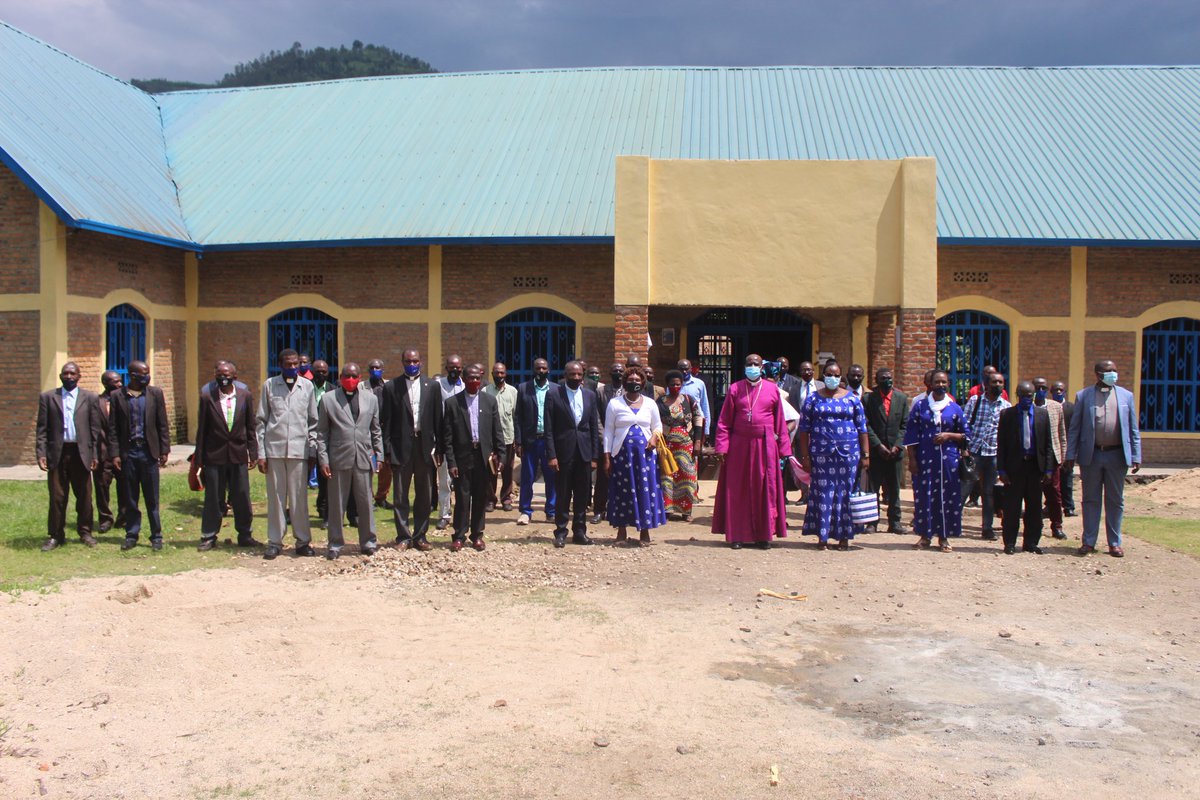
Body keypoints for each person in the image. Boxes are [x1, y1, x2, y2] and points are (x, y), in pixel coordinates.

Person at [712, 354, 790, 550]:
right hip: (739, 444)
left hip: (765, 445)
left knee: (765, 488)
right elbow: (724, 421)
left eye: (756, 364)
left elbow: (780, 422)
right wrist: (722, 446)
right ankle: (737, 535)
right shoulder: (735, 388)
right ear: (744, 366)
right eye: (749, 364)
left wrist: (784, 449)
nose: (752, 367)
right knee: (738, 489)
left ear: (761, 367)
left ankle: (764, 536)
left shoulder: (772, 389)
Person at [1065, 360, 1141, 558]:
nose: (1113, 374)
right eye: (1109, 371)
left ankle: (1114, 543)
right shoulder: (1084, 396)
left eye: (1115, 370)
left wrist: (1136, 454)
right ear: (1098, 374)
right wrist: (1070, 455)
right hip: (1092, 455)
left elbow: (1133, 428)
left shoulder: (1126, 396)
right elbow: (1075, 428)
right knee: (1090, 499)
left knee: (1115, 500)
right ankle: (1088, 541)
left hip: (1117, 455)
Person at [796, 360, 869, 550]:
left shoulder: (852, 399)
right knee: (823, 493)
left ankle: (844, 536)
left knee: (844, 493)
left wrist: (865, 454)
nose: (833, 378)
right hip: (820, 455)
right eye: (829, 374)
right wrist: (805, 457)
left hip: (848, 455)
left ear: (841, 376)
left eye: (837, 375)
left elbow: (862, 428)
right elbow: (804, 430)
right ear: (823, 376)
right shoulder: (813, 399)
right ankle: (823, 536)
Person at [256, 348, 318, 560]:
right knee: (276, 498)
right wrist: (261, 453)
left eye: (295, 364)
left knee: (299, 498)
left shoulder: (307, 386)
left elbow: (313, 422)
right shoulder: (270, 385)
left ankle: (302, 541)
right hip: (275, 449)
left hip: (299, 451)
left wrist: (312, 451)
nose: (292, 367)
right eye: (288, 364)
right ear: (280, 364)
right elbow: (261, 421)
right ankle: (275, 541)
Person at [316, 362, 382, 559]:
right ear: (340, 378)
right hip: (338, 458)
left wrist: (379, 455)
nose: (350, 380)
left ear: (359, 378)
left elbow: (376, 429)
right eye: (346, 376)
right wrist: (323, 459)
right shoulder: (328, 400)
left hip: (363, 456)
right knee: (336, 504)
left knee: (365, 503)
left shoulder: (371, 399)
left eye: (354, 376)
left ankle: (368, 542)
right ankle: (335, 544)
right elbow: (322, 433)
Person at [380, 349, 442, 551]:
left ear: (421, 362)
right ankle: (403, 536)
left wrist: (438, 448)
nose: (412, 364)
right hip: (400, 448)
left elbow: (437, 419)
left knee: (424, 494)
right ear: (402, 362)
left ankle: (420, 536)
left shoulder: (432, 386)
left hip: (424, 447)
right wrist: (387, 450)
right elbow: (386, 421)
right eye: (408, 361)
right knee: (400, 495)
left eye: (415, 360)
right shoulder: (391, 387)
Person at [36, 362, 102, 551]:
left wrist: (95, 454)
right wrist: (41, 453)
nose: (69, 376)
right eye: (65, 373)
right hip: (57, 452)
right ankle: (56, 535)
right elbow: (42, 429)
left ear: (79, 376)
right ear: (60, 375)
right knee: (57, 496)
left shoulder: (89, 398)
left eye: (73, 373)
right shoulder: (48, 397)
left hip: (81, 453)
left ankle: (85, 532)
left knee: (84, 496)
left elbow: (95, 430)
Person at [194, 361, 260, 551]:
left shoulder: (245, 396)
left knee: (241, 495)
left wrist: (253, 452)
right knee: (214, 496)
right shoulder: (207, 397)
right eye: (219, 374)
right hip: (214, 455)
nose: (223, 378)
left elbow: (250, 426)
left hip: (238, 454)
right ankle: (208, 535)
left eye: (227, 374)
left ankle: (245, 534)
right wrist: (199, 458)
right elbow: (202, 429)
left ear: (235, 377)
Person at [108, 360, 171, 551]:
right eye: (143, 373)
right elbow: (113, 428)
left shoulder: (155, 394)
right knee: (131, 497)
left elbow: (162, 424)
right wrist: (115, 454)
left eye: (148, 373)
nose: (147, 376)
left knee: (152, 497)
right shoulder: (117, 396)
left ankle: (156, 535)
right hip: (129, 453)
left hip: (148, 452)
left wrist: (164, 449)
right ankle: (131, 533)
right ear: (132, 375)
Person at [903, 370, 969, 552]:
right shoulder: (921, 406)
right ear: (930, 384)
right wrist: (913, 460)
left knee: (948, 498)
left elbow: (966, 434)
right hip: (925, 461)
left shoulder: (954, 408)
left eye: (944, 382)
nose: (941, 385)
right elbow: (911, 435)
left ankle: (944, 537)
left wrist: (949, 435)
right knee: (925, 496)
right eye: (937, 382)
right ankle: (925, 536)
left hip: (949, 463)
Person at [442, 364, 504, 551]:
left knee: (480, 497)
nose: (474, 381)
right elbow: (448, 437)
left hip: (483, 457)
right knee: (462, 497)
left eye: (477, 378)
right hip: (462, 458)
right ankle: (459, 535)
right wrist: (451, 461)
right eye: (470, 378)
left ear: (481, 379)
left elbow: (497, 430)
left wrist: (500, 454)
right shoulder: (453, 403)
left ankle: (477, 535)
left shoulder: (489, 401)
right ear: (464, 379)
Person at [603, 365, 666, 546]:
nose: (634, 383)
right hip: (622, 456)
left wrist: (654, 437)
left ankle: (644, 532)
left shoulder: (650, 403)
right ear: (625, 382)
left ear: (643, 383)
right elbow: (608, 431)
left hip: (645, 456)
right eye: (630, 380)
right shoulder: (615, 404)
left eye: (637, 380)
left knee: (645, 490)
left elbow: (658, 426)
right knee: (623, 491)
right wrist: (607, 457)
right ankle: (621, 532)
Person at [544, 360, 603, 546]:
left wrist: (595, 456)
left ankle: (579, 532)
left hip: (584, 453)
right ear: (565, 375)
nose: (576, 378)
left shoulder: (590, 396)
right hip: (563, 453)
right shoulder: (553, 395)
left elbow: (593, 427)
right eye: (572, 374)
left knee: (582, 494)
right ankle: (560, 532)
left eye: (579, 374)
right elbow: (549, 429)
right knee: (563, 494)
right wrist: (552, 455)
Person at [996, 381, 1056, 555]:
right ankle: (1010, 543)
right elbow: (1001, 445)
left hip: (1035, 467)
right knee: (1012, 508)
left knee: (1034, 508)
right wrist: (1001, 470)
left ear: (1034, 396)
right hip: (1014, 468)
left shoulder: (1042, 415)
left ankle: (1031, 542)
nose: (1027, 399)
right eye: (1023, 395)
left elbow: (1048, 445)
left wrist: (1048, 470)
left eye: (1029, 395)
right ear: (1017, 396)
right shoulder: (1007, 415)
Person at [959, 371, 1010, 541]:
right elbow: (964, 425)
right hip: (974, 452)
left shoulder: (1006, 406)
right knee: (964, 488)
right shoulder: (975, 401)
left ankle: (987, 528)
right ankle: (954, 523)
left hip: (993, 454)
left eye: (1000, 382)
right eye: (994, 382)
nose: (997, 385)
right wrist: (964, 450)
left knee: (988, 493)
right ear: (986, 385)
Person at [863, 367, 910, 533]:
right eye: (883, 378)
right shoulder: (868, 399)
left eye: (889, 378)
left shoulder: (901, 398)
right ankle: (872, 522)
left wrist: (897, 445)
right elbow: (866, 425)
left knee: (894, 488)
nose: (887, 381)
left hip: (895, 453)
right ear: (876, 380)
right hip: (877, 452)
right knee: (873, 488)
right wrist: (878, 445)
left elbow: (905, 426)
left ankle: (895, 522)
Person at [513, 357, 557, 526]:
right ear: (533, 369)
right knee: (527, 477)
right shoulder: (524, 388)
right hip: (530, 441)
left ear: (548, 370)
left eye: (544, 368)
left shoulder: (555, 389)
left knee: (551, 477)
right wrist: (519, 441)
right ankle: (525, 511)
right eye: (538, 368)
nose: (540, 371)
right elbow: (518, 417)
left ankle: (551, 511)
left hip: (549, 441)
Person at [657, 370, 703, 522]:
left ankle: (686, 510)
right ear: (667, 386)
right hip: (666, 445)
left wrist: (698, 441)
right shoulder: (660, 401)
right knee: (667, 477)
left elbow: (698, 419)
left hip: (686, 445)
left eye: (678, 384)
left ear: (682, 385)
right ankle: (667, 509)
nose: (675, 387)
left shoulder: (689, 400)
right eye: (672, 385)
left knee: (687, 476)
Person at [1032, 376, 1069, 539]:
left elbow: (1061, 433)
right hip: (1033, 457)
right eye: (1037, 388)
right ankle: (1035, 525)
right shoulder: (1028, 406)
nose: (1040, 391)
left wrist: (1063, 456)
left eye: (1043, 388)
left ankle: (1057, 525)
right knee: (1033, 494)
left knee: (1054, 494)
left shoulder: (1055, 407)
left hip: (1052, 456)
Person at [434, 354, 465, 530]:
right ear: (446, 368)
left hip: (464, 440)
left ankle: (462, 514)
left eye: (458, 367)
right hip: (445, 440)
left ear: (462, 368)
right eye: (451, 367)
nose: (455, 370)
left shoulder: (467, 385)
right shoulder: (437, 386)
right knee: (444, 480)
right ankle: (444, 514)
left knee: (463, 481)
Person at [591, 363, 624, 524]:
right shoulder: (601, 391)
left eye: (620, 371)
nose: (618, 373)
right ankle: (599, 510)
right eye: (615, 371)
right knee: (603, 478)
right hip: (604, 442)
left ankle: (617, 510)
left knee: (621, 478)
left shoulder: (629, 392)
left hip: (623, 442)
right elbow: (596, 417)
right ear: (609, 373)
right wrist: (605, 437)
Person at [483, 361, 518, 512]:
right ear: (492, 374)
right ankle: (490, 499)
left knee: (508, 470)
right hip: (491, 440)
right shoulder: (485, 391)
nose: (499, 375)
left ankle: (506, 498)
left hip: (508, 437)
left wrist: (517, 438)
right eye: (496, 373)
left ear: (506, 374)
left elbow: (516, 417)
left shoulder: (513, 392)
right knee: (491, 469)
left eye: (502, 372)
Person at [94, 370, 126, 534]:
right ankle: (105, 519)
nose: (120, 384)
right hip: (103, 454)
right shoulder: (96, 402)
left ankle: (123, 518)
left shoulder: (126, 400)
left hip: (122, 453)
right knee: (101, 488)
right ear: (105, 383)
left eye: (120, 381)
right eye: (115, 381)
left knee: (125, 487)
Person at [364, 359, 393, 511]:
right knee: (367, 464)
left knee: (386, 465)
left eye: (378, 367)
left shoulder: (389, 385)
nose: (375, 370)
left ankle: (381, 497)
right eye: (372, 367)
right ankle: (367, 498)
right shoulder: (362, 386)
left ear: (383, 369)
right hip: (367, 430)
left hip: (385, 430)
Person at [309, 359, 335, 523]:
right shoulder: (305, 388)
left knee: (324, 477)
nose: (321, 374)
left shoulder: (333, 390)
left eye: (324, 371)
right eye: (317, 371)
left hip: (324, 439)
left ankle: (325, 512)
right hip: (305, 437)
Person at [1051, 381, 1077, 517]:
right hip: (1052, 450)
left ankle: (1068, 507)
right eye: (1055, 390)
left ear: (1065, 392)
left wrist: (1072, 452)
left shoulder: (1071, 408)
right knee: (1052, 481)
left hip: (1067, 450)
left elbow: (1074, 430)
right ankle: (1050, 506)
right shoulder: (1048, 408)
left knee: (1067, 480)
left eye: (1061, 390)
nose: (1058, 392)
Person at [676, 359, 711, 440]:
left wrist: (706, 430)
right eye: (682, 369)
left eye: (686, 369)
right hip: (679, 423)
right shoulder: (673, 385)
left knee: (696, 450)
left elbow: (704, 405)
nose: (684, 371)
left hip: (697, 423)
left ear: (691, 369)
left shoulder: (700, 384)